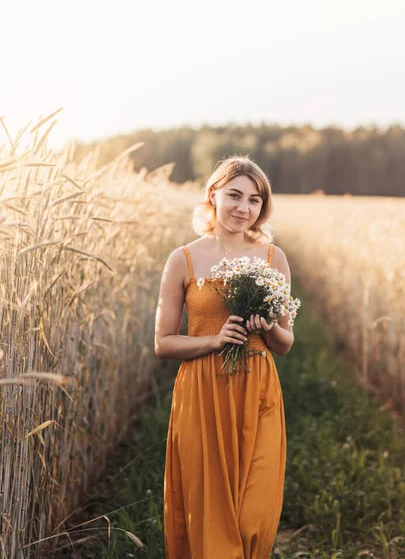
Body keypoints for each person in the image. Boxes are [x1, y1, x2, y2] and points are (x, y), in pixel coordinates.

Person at [154, 155, 295, 558]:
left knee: (255, 512)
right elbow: (163, 343)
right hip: (202, 394)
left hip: (258, 391)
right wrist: (215, 341)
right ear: (213, 194)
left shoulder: (273, 258)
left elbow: (286, 343)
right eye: (234, 195)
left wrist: (268, 329)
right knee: (209, 511)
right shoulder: (182, 259)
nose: (243, 208)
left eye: (254, 200)